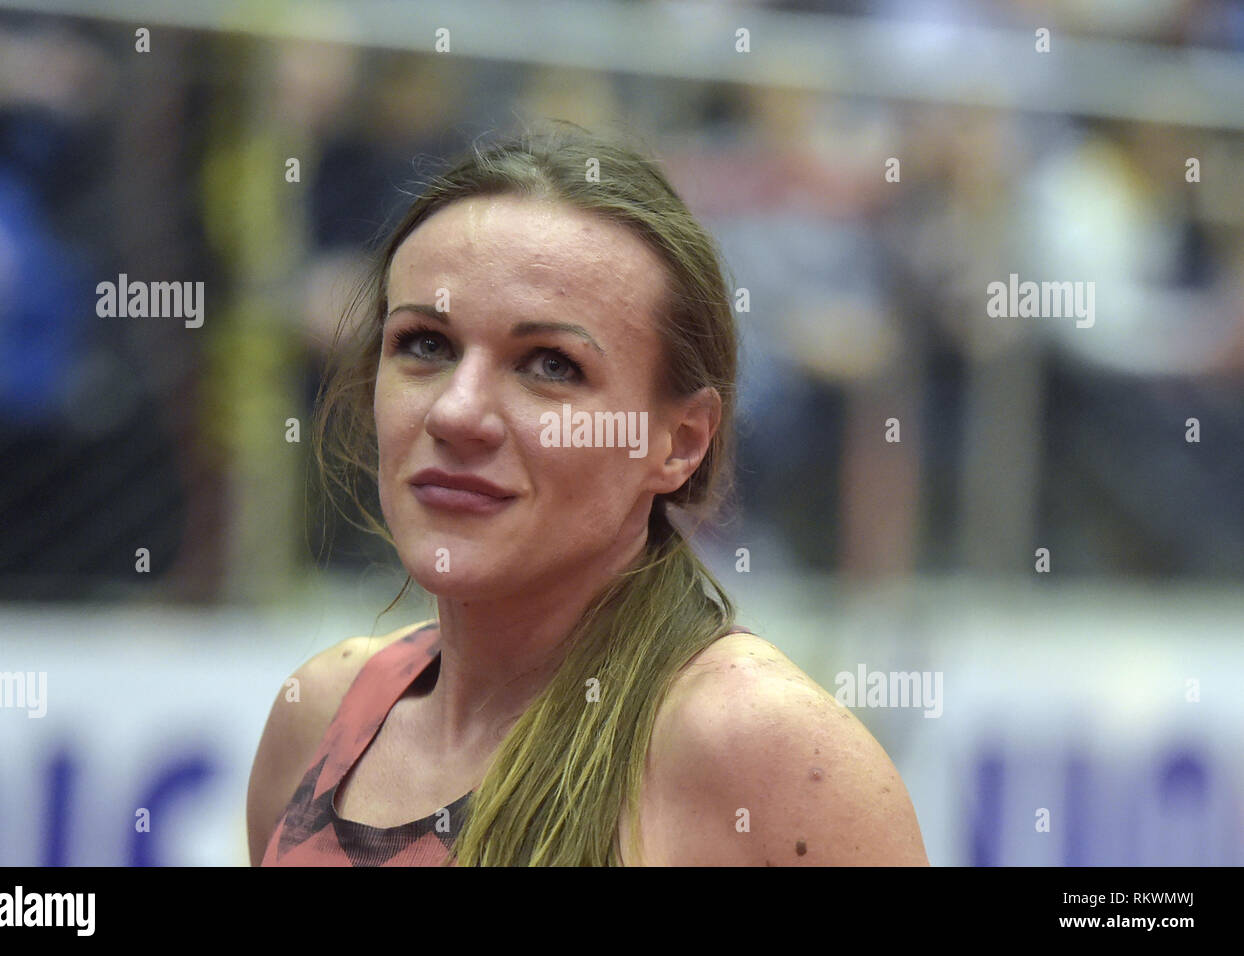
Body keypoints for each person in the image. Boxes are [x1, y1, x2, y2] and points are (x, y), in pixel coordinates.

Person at [247, 121, 929, 866]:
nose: (457, 412)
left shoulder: (764, 753)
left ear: (680, 442)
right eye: (425, 345)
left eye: (549, 365)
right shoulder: (319, 714)